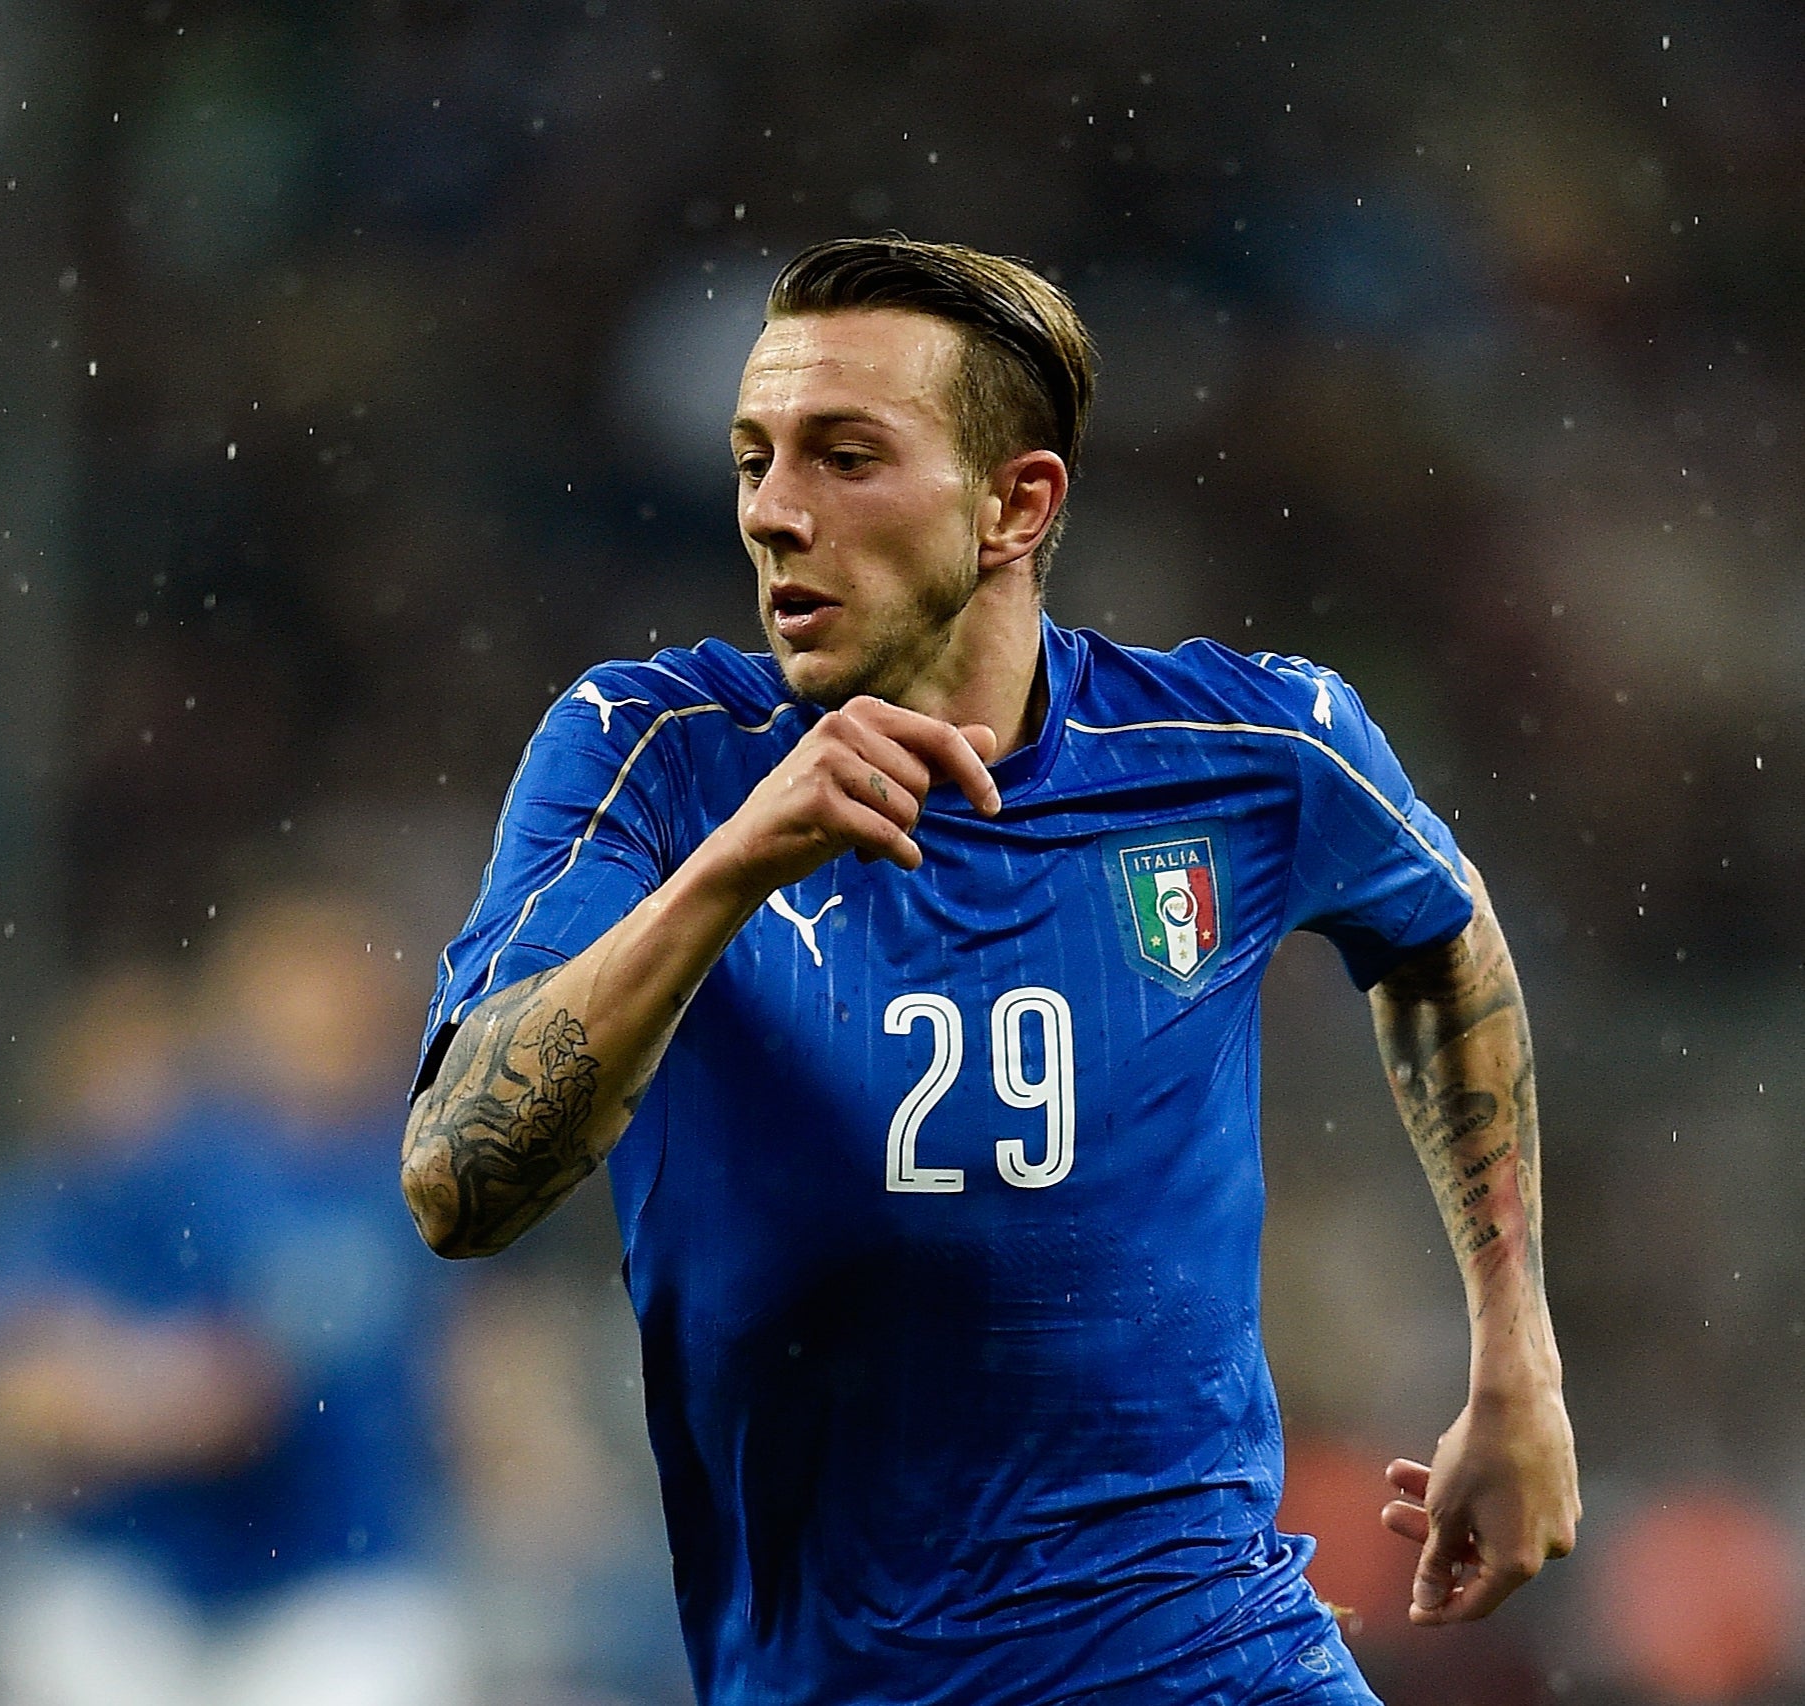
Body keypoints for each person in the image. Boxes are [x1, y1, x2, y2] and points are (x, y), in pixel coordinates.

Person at [402, 236, 1578, 1704]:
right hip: (837, 1672)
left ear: (1017, 503)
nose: (774, 513)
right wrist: (730, 872)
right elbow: (458, 1182)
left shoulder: (1249, 752)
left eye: (843, 457)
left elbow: (1438, 935)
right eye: (753, 457)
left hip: (1211, 1651)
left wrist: (1513, 1347)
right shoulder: (651, 758)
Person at [0, 897, 466, 1706]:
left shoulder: (405, 1181)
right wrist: (135, 1397)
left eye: (340, 999)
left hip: (335, 1594)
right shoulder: (156, 1159)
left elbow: (467, 1386)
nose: (314, 1028)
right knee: (32, 1599)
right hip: (134, 1588)